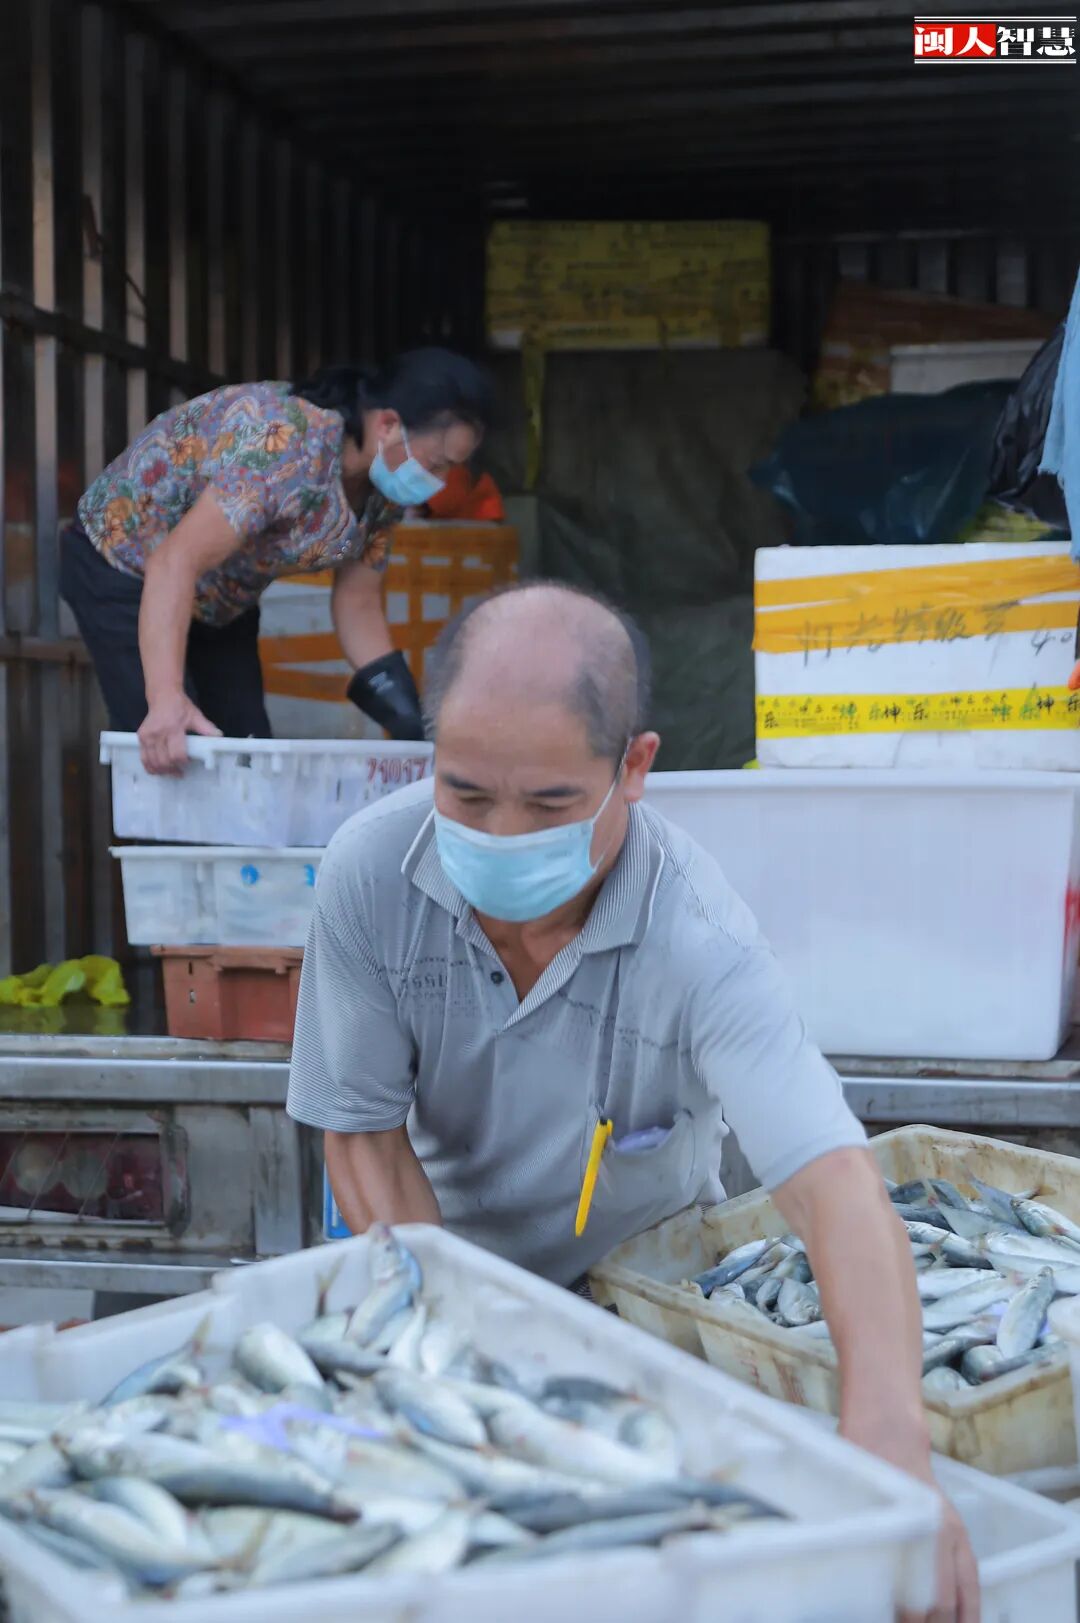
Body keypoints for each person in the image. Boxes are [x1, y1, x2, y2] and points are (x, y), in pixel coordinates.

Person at [286, 581, 978, 1621]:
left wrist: (892, 1436)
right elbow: (366, 1142)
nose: (502, 835)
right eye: (466, 795)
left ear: (636, 767)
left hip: (647, 1319)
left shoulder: (699, 939)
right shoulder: (368, 876)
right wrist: (457, 1363)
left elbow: (832, 1184)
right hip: (438, 1287)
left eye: (549, 804)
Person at [59, 349, 495, 774]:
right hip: (127, 566)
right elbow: (174, 562)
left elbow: (358, 603)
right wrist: (165, 697)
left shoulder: (383, 492)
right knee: (172, 751)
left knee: (247, 757)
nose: (439, 483)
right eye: (437, 464)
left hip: (221, 595)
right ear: (388, 424)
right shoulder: (286, 445)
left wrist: (410, 724)